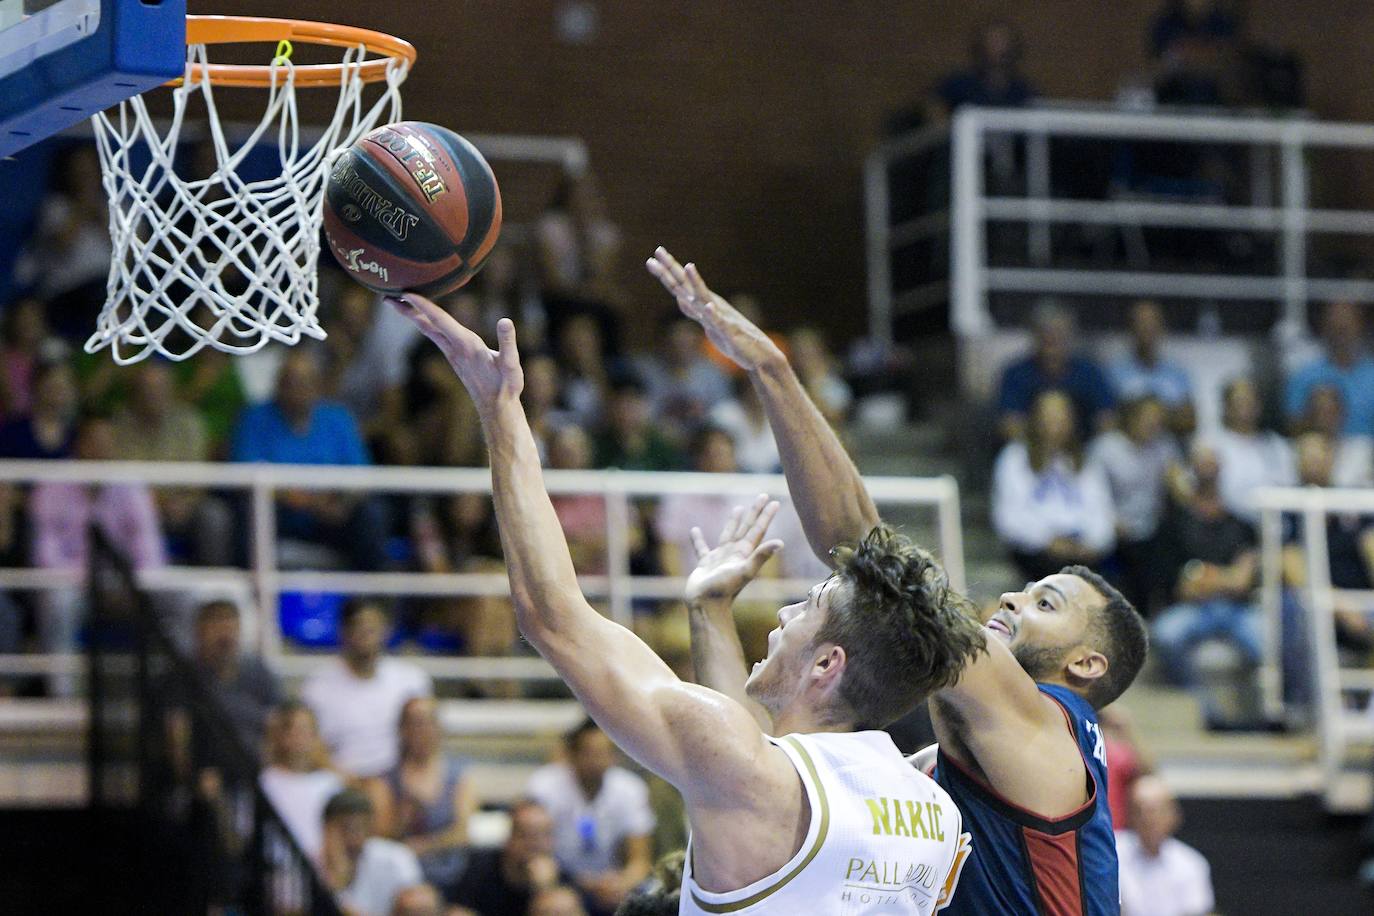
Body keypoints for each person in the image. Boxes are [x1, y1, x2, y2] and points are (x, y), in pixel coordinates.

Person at [391, 290, 983, 915]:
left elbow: (554, 619)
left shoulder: (751, 773)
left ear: (826, 665)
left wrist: (501, 410)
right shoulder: (930, 807)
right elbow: (758, 751)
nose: (783, 615)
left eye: (807, 607)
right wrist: (709, 611)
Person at [649, 248, 1146, 915]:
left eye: (1045, 602)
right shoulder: (956, 763)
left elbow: (866, 553)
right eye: (1027, 588)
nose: (1009, 597)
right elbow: (758, 763)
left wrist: (771, 370)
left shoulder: (1042, 718)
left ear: (1086, 662)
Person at [30, 413, 165, 696]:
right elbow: (45, 557)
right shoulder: (51, 485)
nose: (101, 450)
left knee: (176, 599)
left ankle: (167, 697)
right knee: (58, 603)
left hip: (125, 585)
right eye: (94, 443)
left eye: (107, 443)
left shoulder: (130, 485)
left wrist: (133, 585)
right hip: (73, 585)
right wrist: (90, 582)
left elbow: (150, 553)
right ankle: (61, 699)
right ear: (78, 445)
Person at [230, 349, 388, 571]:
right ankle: (251, 596)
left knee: (370, 513)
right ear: (278, 385)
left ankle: (370, 600)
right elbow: (246, 476)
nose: (297, 390)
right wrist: (308, 502)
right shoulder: (254, 418)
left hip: (331, 515)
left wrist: (342, 504)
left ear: (318, 386)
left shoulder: (337, 418)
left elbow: (360, 475)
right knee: (249, 510)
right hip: (279, 513)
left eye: (305, 382)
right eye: (290, 382)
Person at [1151, 444, 1261, 725]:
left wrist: (1205, 576)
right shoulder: (1174, 524)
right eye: (1202, 463)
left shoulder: (1241, 524)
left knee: (1267, 641)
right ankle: (1204, 707)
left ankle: (1266, 713)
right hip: (1193, 609)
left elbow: (1242, 582)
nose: (1208, 470)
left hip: (1236, 610)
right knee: (1165, 635)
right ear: (1192, 469)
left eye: (1213, 463)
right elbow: (1183, 586)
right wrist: (1225, 577)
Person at [526, 720, 655, 915]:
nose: (596, 761)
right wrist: (556, 883)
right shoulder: (544, 787)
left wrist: (622, 882)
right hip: (562, 878)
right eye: (589, 753)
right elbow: (534, 851)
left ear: (615, 756)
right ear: (571, 755)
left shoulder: (630, 789)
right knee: (551, 893)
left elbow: (640, 859)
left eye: (604, 753)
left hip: (611, 882)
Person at [112, 361, 234, 566]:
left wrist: (185, 502)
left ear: (172, 390)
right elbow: (119, 477)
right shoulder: (119, 425)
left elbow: (199, 478)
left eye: (159, 388)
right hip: (135, 505)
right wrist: (152, 501)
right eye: (147, 389)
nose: (153, 395)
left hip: (183, 505)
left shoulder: (190, 423)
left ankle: (212, 589)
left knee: (214, 515)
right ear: (135, 392)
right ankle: (131, 589)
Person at [992, 390, 1117, 582]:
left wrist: (1092, 544)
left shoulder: (1086, 461)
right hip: (1036, 553)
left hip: (1082, 552)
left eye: (1061, 418)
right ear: (1034, 420)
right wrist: (1046, 540)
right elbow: (1008, 518)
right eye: (1048, 418)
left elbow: (1103, 513)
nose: (1055, 425)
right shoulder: (1015, 458)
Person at [301, 598, 433, 780]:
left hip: (399, 783)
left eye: (372, 628)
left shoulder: (411, 680)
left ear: (387, 631)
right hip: (341, 782)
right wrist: (352, 782)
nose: (366, 635)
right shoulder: (318, 687)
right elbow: (312, 749)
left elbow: (428, 738)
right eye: (359, 628)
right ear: (344, 632)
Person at [1089, 396, 1184, 615]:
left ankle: (1164, 613)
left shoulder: (1164, 446)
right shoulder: (1105, 448)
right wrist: (1110, 520)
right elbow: (1092, 493)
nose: (1154, 425)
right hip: (1115, 524)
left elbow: (1181, 488)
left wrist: (1178, 481)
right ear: (1131, 418)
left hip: (1152, 526)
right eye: (1148, 419)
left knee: (1172, 542)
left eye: (1158, 420)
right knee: (1133, 556)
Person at [385, 697, 476, 891]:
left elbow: (462, 832)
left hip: (452, 877)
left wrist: (424, 846)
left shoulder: (459, 775)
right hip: (401, 881)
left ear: (438, 728)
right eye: (415, 723)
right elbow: (380, 838)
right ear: (402, 729)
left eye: (428, 722)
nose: (422, 731)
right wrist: (400, 821)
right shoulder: (386, 780)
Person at [995, 302, 1116, 442]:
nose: (1052, 339)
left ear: (1069, 335)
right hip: (1032, 451)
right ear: (1035, 335)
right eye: (1046, 333)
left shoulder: (1089, 373)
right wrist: (1043, 449)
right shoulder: (1016, 374)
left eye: (1059, 333)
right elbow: (1010, 424)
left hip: (1082, 452)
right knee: (1012, 451)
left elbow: (1107, 419)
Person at [448, 799, 573, 916]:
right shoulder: (482, 869)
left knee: (558, 905)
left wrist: (545, 889)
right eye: (526, 835)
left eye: (544, 835)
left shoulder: (560, 876)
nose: (535, 844)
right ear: (509, 838)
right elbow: (458, 911)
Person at [1115, 776, 1215, 916]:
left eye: (1155, 811)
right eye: (1140, 811)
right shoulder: (1112, 854)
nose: (1148, 819)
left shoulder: (1192, 864)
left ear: (1174, 815)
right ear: (1129, 815)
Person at [259, 699, 344, 863]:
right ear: (279, 736)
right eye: (293, 730)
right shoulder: (265, 782)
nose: (299, 738)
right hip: (277, 866)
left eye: (306, 730)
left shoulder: (330, 783)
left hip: (322, 868)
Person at [1203, 377, 1296, 523]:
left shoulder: (1276, 445)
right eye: (1239, 402)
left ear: (1259, 406)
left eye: (1250, 402)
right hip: (1227, 524)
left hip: (1273, 523)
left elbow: (1290, 487)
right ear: (1226, 406)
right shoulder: (1211, 443)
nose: (1245, 407)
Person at [321, 788, 425, 916]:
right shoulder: (306, 864)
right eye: (345, 829)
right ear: (326, 829)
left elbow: (417, 908)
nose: (353, 838)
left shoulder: (396, 857)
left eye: (359, 828)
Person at [1285, 301, 1374, 437]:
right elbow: (1293, 426)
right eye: (1336, 328)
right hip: (1320, 450)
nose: (1341, 335)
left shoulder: (1371, 374)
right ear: (1324, 328)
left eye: (1346, 328)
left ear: (1360, 327)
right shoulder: (1304, 376)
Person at [1109, 300, 1195, 436]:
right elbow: (1110, 419)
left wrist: (1145, 415)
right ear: (1130, 329)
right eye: (1141, 323)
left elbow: (1189, 420)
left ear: (1162, 328)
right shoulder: (1114, 372)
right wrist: (1167, 413)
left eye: (1152, 324)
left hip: (1169, 444)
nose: (1147, 329)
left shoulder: (1177, 373)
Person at [633, 317, 730, 438]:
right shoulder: (642, 369)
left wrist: (702, 414)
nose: (682, 349)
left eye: (688, 344)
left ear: (698, 342)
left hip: (700, 442)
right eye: (677, 343)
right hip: (654, 439)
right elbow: (634, 413)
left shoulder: (713, 372)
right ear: (663, 340)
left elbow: (724, 415)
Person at [935, 20, 1037, 113]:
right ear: (980, 47)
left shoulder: (1023, 91)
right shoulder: (959, 83)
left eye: (1004, 42)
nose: (999, 48)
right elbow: (934, 107)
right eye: (993, 41)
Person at [1296, 384, 1374, 488]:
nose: (1324, 418)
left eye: (1330, 411)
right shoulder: (1294, 449)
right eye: (1319, 411)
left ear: (1342, 413)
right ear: (1309, 413)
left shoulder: (1361, 449)